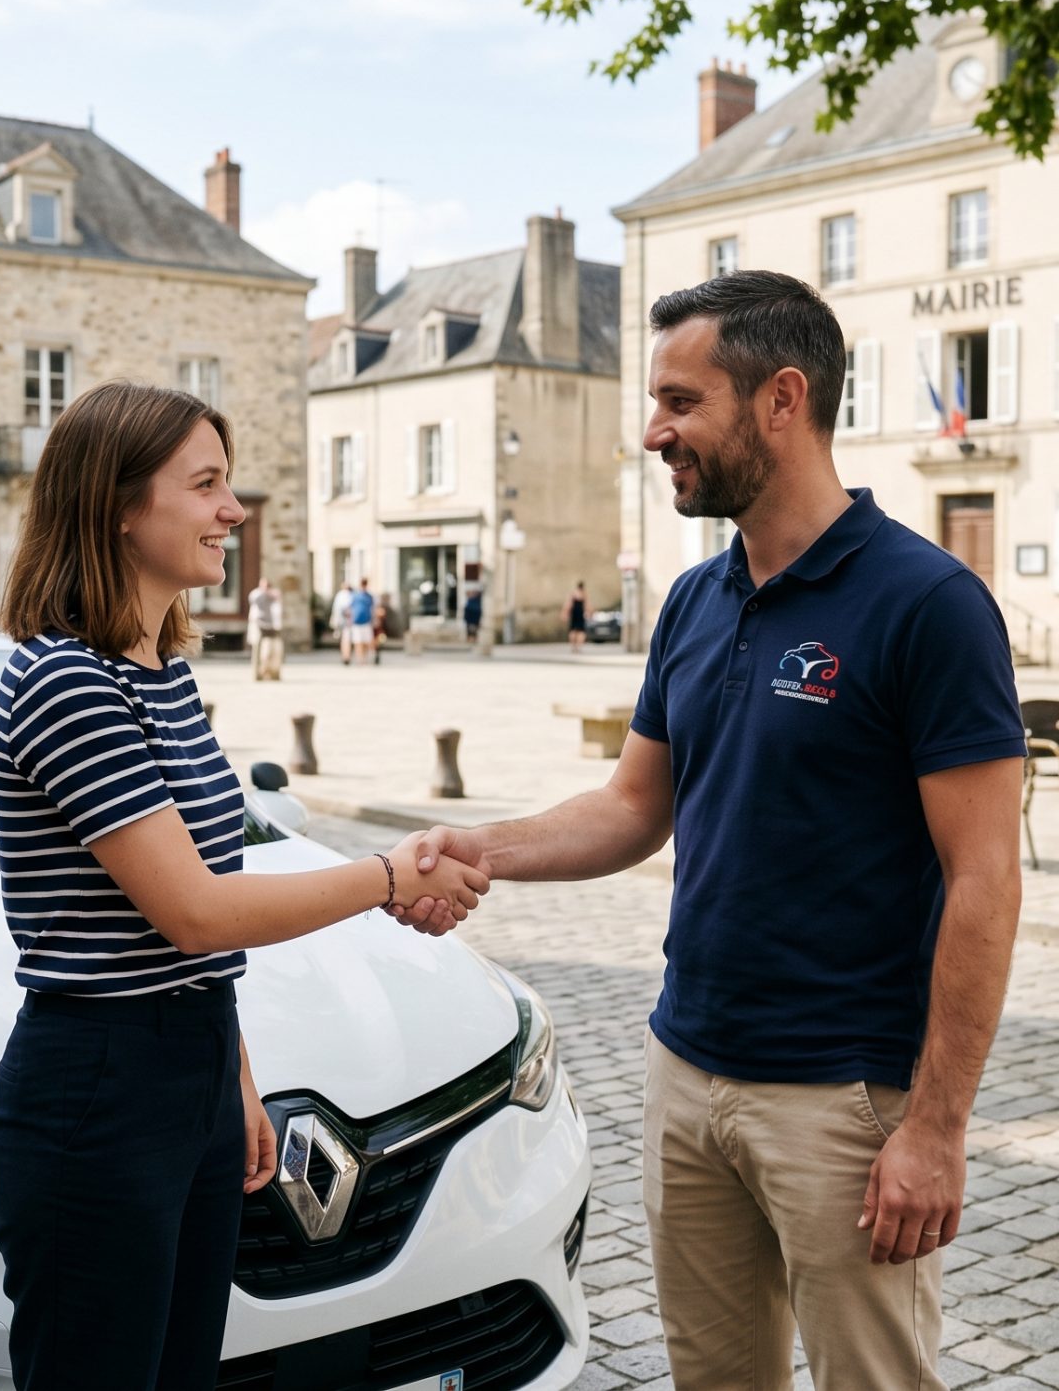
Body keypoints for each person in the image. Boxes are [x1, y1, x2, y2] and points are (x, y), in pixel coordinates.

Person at [392, 271, 1024, 1389]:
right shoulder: (695, 600)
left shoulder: (925, 603)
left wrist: (936, 1126)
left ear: (781, 399)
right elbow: (634, 807)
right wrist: (476, 849)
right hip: (685, 1073)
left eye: (680, 402)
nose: (652, 432)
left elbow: (983, 878)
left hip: (844, 1102)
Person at [0, 380, 490, 1390]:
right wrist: (390, 874)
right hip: (98, 1085)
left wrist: (235, 1073)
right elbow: (194, 908)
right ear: (119, 505)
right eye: (206, 484)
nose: (234, 510)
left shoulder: (161, 673)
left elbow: (198, 912)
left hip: (193, 1067)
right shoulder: (62, 680)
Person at [246, 575, 286, 681]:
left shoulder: (273, 594)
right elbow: (255, 601)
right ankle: (257, 674)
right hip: (258, 625)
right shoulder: (256, 594)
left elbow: (278, 600)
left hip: (271, 626)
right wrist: (266, 592)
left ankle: (272, 673)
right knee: (258, 651)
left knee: (273, 650)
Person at [347, 577, 378, 665]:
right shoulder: (354, 595)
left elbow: (373, 609)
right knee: (358, 642)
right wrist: (350, 620)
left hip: (366, 621)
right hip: (357, 622)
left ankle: (363, 658)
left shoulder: (369, 596)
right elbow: (350, 608)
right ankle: (360, 659)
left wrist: (374, 620)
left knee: (365, 641)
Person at [329, 579, 357, 664]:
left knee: (345, 640)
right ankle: (346, 656)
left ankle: (345, 656)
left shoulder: (340, 595)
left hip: (344, 621)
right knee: (346, 639)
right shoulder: (351, 595)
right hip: (347, 621)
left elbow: (336, 609)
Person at [565, 580, 590, 653]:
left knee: (573, 630)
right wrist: (589, 613)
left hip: (574, 613)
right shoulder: (584, 594)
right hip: (581, 613)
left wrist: (565, 613)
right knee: (581, 631)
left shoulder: (573, 593)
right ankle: (579, 647)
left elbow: (568, 604)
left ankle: (573, 646)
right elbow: (587, 605)